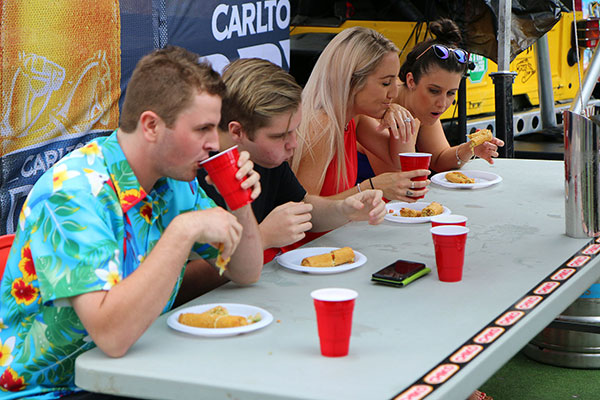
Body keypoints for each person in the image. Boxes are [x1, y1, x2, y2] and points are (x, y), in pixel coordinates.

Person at [0, 46, 263, 399]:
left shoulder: (174, 180)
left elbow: (247, 272)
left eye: (214, 128)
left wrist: (238, 200)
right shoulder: (75, 193)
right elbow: (112, 338)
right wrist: (182, 233)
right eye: (202, 129)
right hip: (52, 391)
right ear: (151, 125)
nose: (214, 144)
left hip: (132, 372)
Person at [197, 58, 386, 263]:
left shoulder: (264, 155)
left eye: (295, 130)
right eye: (280, 136)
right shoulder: (194, 173)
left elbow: (304, 207)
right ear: (237, 131)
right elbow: (184, 283)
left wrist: (344, 209)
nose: (293, 143)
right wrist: (262, 237)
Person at [359, 18, 504, 177]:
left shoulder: (422, 108)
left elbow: (439, 158)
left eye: (451, 93)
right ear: (411, 80)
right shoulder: (379, 105)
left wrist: (469, 149)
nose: (442, 103)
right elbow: (399, 179)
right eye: (434, 91)